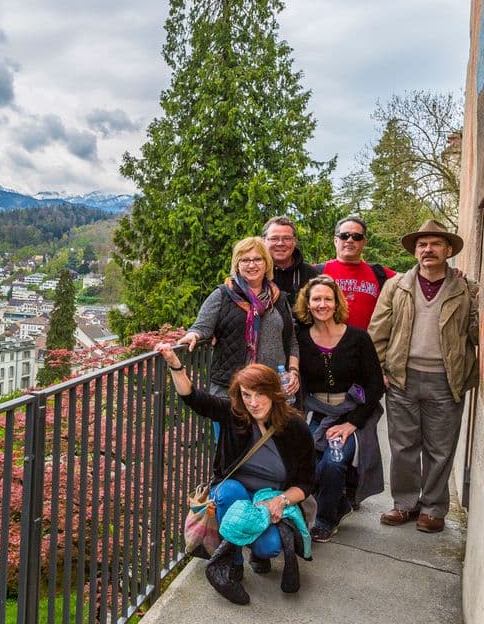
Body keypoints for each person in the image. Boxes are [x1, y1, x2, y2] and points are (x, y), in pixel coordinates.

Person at [156, 343, 315, 605]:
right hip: (235, 493)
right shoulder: (234, 415)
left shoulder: (295, 427)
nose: (253, 403)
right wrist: (175, 364)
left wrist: (281, 501)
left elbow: (307, 481)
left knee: (270, 547)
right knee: (229, 492)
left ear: (274, 393)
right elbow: (193, 398)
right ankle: (232, 563)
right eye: (246, 395)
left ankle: (253, 554)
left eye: (260, 395)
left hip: (269, 499)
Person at [369, 219, 478, 533]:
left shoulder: (465, 288)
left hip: (446, 381)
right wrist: (379, 372)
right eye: (422, 244)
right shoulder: (397, 285)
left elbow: (474, 334)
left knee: (440, 449)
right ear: (415, 251)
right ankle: (404, 505)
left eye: (435, 244)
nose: (428, 249)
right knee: (403, 446)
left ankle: (432, 508)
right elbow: (378, 332)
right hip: (402, 378)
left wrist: (475, 299)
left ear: (447, 250)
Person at [294, 275, 385, 542]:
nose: (322, 304)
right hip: (314, 413)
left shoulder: (358, 338)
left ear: (336, 304)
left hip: (349, 413)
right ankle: (337, 503)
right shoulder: (300, 339)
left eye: (327, 299)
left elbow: (375, 385)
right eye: (316, 299)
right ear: (307, 305)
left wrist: (352, 423)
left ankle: (326, 519)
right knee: (304, 460)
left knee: (333, 463)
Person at [177, 237, 300, 403]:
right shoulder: (222, 295)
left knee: (272, 430)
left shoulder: (278, 299)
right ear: (237, 265)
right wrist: (193, 334)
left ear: (267, 264)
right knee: (229, 429)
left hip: (272, 388)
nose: (251, 265)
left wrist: (293, 371)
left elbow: (291, 341)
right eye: (245, 260)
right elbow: (201, 327)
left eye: (257, 259)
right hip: (230, 389)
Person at [315, 215, 396, 330]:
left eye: (357, 237)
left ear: (364, 242)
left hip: (366, 345)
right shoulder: (316, 272)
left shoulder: (381, 274)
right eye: (344, 236)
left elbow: (415, 279)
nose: (350, 240)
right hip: (325, 345)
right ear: (335, 241)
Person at [262, 216, 318, 306]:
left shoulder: (310, 274)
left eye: (287, 238)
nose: (280, 243)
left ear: (294, 241)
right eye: (274, 238)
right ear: (264, 241)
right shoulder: (255, 272)